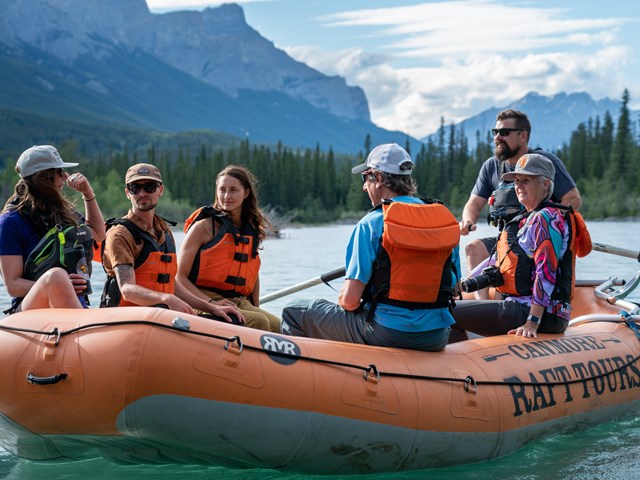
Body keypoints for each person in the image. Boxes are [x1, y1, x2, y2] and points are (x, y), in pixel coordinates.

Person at [281, 143, 461, 351]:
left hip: (386, 333)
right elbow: (454, 290)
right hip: (436, 337)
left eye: (365, 178)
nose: (364, 186)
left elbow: (350, 302)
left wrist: (343, 297)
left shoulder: (371, 224)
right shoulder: (443, 221)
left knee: (294, 311)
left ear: (378, 178)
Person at [451, 153, 590, 340]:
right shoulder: (527, 218)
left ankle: (448, 366)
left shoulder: (545, 219)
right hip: (520, 306)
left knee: (445, 312)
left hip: (541, 314)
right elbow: (496, 260)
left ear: (545, 185)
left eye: (526, 180)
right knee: (448, 304)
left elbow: (546, 272)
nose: (518, 186)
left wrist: (532, 321)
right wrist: (460, 285)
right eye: (516, 181)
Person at [459, 109, 582, 298]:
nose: (498, 137)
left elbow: (573, 199)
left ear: (523, 135)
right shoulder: (491, 166)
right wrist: (467, 221)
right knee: (473, 248)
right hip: (506, 242)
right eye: (495, 132)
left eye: (504, 132)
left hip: (538, 242)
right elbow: (473, 204)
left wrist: (543, 225)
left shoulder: (545, 162)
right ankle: (485, 308)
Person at [100, 163, 233, 319]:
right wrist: (166, 298)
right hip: (129, 320)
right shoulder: (120, 234)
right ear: (128, 193)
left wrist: (211, 307)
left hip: (161, 316)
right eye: (135, 188)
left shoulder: (164, 231)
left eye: (149, 187)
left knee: (231, 320)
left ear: (160, 190)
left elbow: (172, 285)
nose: (142, 193)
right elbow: (127, 290)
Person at [0, 145, 105, 313]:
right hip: (31, 312)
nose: (65, 177)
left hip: (74, 308)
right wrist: (59, 286)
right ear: (43, 177)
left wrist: (88, 193)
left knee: (58, 278)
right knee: (56, 276)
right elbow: (13, 285)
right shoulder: (11, 221)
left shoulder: (65, 213)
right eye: (59, 172)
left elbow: (99, 234)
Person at [176, 165, 281, 332]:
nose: (226, 196)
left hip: (238, 300)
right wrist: (211, 304)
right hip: (203, 298)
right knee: (258, 322)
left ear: (246, 193)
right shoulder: (204, 227)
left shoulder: (250, 228)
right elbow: (179, 277)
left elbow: (252, 274)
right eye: (222, 190)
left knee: (279, 325)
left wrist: (256, 307)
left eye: (233, 190)